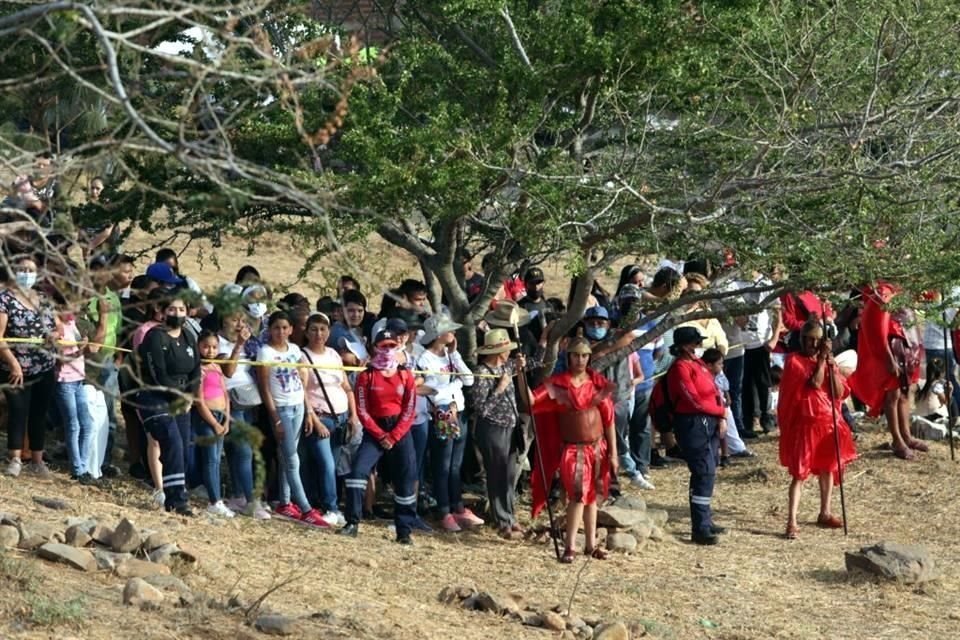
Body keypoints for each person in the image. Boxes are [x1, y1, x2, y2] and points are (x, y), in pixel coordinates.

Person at [530, 338, 617, 563]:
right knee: (577, 496)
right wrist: (519, 373)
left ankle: (590, 544)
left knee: (593, 498)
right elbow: (531, 400)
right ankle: (570, 546)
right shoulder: (558, 384)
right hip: (573, 450)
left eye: (584, 356)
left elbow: (609, 421)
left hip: (597, 449)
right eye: (576, 355)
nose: (580, 360)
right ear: (568, 357)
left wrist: (614, 453)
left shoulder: (598, 384)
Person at [778, 321, 857, 539]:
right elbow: (814, 383)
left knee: (828, 467)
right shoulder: (794, 361)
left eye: (815, 340)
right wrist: (821, 362)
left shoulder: (828, 361)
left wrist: (832, 366)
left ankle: (825, 511)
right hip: (806, 423)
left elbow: (839, 392)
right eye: (808, 339)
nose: (811, 344)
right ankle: (791, 521)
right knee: (799, 474)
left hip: (829, 421)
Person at [339, 329, 420, 544]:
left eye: (391, 346)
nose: (387, 350)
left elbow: (410, 409)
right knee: (357, 472)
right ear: (375, 347)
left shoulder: (405, 375)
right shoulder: (366, 375)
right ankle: (352, 522)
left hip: (399, 432)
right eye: (383, 346)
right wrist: (380, 434)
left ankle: (404, 531)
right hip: (375, 431)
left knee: (405, 480)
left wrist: (393, 436)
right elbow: (362, 409)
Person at [256, 310, 328, 527]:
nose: (281, 332)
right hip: (282, 408)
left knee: (289, 455)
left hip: (297, 405)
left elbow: (302, 382)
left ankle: (285, 502)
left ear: (291, 330)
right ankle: (305, 508)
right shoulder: (265, 353)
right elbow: (265, 387)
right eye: (276, 327)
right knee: (291, 459)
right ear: (270, 330)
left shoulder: (295, 350)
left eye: (285, 327)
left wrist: (308, 411)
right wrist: (275, 416)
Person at [137, 289, 201, 514]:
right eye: (172, 309)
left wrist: (190, 395)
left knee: (182, 448)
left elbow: (196, 371)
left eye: (181, 309)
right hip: (155, 398)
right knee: (171, 441)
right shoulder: (154, 336)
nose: (177, 313)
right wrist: (179, 395)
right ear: (163, 312)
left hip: (182, 401)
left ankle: (177, 495)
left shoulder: (189, 336)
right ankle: (176, 499)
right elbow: (158, 373)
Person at [417, 313, 481, 531]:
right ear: (438, 335)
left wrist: (455, 355)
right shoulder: (425, 359)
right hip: (442, 413)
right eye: (450, 330)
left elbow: (469, 379)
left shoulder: (450, 354)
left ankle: (458, 506)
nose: (454, 333)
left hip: (458, 410)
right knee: (442, 463)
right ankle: (444, 509)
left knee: (455, 464)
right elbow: (428, 388)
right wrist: (450, 393)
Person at [663, 326, 728, 545]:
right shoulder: (680, 368)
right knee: (703, 471)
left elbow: (713, 391)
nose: (698, 347)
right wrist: (718, 412)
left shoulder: (698, 364)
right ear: (683, 346)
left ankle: (705, 520)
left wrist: (720, 416)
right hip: (692, 422)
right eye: (694, 343)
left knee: (708, 471)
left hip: (708, 420)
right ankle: (699, 527)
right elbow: (692, 398)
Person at [849, 282, 925, 460]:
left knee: (905, 392)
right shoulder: (881, 292)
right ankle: (897, 440)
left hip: (906, 345)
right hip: (892, 347)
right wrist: (887, 357)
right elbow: (876, 325)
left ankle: (906, 435)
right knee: (892, 395)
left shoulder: (900, 288)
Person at [1, 255, 60, 478]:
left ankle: (37, 460)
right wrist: (14, 364)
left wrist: (53, 336)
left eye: (30, 270)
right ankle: (14, 457)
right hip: (15, 367)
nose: (26, 274)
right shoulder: (5, 299)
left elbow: (56, 329)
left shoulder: (44, 299)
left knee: (39, 413)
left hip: (44, 365)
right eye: (22, 269)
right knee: (18, 410)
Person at [302, 312, 361, 526]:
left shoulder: (334, 355)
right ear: (307, 332)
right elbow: (303, 391)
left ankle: (324, 502)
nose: (319, 334)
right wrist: (313, 419)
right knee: (326, 464)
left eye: (323, 329)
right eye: (314, 329)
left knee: (333, 465)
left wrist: (353, 415)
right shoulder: (303, 357)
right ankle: (331, 507)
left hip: (341, 417)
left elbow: (346, 387)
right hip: (320, 416)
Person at [472, 329, 528, 538]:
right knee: (497, 474)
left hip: (511, 427)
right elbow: (481, 409)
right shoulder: (482, 372)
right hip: (493, 428)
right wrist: (499, 389)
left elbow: (530, 363)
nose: (508, 354)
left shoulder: (506, 366)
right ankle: (502, 519)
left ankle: (510, 516)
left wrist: (524, 362)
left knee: (509, 475)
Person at [217, 305, 270, 520]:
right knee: (244, 451)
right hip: (232, 401)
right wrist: (238, 346)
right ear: (223, 321)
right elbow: (228, 371)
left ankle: (238, 495)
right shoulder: (218, 343)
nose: (239, 325)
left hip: (250, 400)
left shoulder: (249, 342)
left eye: (242, 320)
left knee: (238, 451)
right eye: (234, 320)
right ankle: (251, 501)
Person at [193, 330, 235, 518]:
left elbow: (225, 393)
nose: (210, 351)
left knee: (216, 460)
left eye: (214, 347)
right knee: (210, 460)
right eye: (206, 346)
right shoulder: (198, 369)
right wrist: (214, 423)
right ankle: (214, 500)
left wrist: (226, 419)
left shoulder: (217, 366)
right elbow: (199, 400)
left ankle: (216, 497)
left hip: (220, 416)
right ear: (198, 347)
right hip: (207, 418)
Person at [55, 294, 96, 483]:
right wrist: (79, 350)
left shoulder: (74, 325)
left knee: (87, 424)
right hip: (64, 381)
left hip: (79, 379)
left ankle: (84, 466)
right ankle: (77, 468)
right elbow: (57, 359)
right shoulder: (58, 328)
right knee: (73, 425)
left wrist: (83, 349)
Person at [701, 348, 754, 466]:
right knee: (713, 432)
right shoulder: (703, 376)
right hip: (710, 406)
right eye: (719, 364)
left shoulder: (720, 374)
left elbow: (725, 387)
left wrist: (727, 398)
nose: (722, 366)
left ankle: (727, 454)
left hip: (722, 405)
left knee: (724, 430)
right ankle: (713, 454)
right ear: (709, 365)